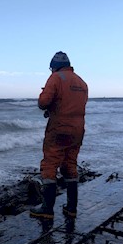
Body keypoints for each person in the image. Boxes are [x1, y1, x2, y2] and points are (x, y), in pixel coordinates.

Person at [30, 51, 88, 219]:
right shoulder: (82, 82)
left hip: (59, 128)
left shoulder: (56, 78)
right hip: (78, 130)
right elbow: (71, 104)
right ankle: (71, 207)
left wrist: (46, 102)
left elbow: (43, 102)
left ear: (54, 67)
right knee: (70, 164)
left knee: (49, 164)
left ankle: (47, 208)